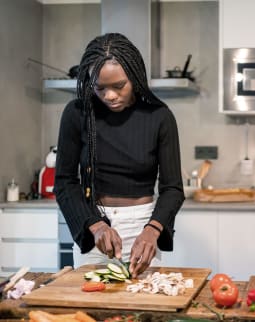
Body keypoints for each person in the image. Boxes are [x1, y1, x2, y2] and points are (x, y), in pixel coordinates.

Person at [54, 33, 185, 278]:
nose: (110, 96)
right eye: (100, 87)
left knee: (141, 309)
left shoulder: (159, 117)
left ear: (134, 77)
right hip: (93, 226)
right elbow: (64, 182)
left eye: (119, 86)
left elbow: (173, 188)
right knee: (89, 308)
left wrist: (152, 230)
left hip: (143, 227)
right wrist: (95, 225)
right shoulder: (77, 113)